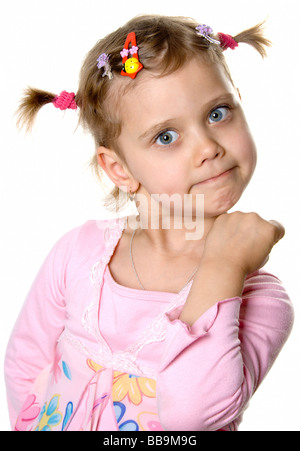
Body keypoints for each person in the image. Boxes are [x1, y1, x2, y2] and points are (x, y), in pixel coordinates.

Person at [5, 14, 294, 431]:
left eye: (217, 113)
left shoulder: (258, 299)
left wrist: (223, 266)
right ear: (119, 169)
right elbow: (25, 363)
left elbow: (190, 416)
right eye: (166, 136)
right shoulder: (79, 253)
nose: (208, 148)